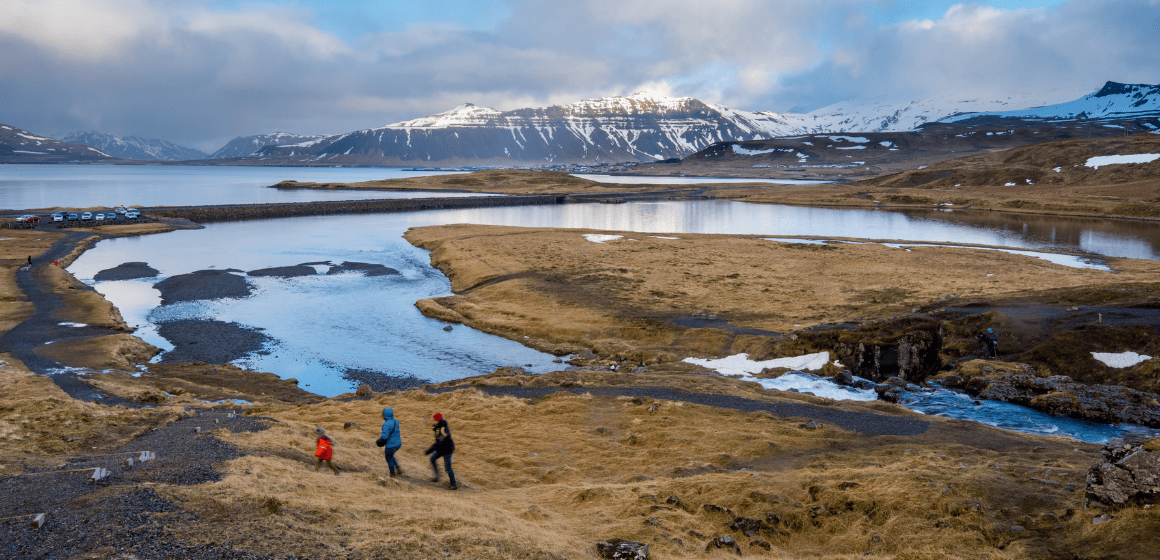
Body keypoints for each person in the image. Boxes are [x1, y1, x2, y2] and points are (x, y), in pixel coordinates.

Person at [425, 412, 457, 490]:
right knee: (432, 459)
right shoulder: (440, 427)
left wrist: (429, 450)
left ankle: (454, 484)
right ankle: (437, 476)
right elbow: (438, 442)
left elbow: (439, 442)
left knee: (448, 468)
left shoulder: (443, 430)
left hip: (447, 450)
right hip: (441, 449)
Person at [376, 407, 403, 477]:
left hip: (391, 445)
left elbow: (385, 437)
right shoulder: (396, 421)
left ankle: (392, 473)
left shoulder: (385, 424)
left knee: (388, 458)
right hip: (398, 443)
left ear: (384, 415)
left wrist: (380, 435)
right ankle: (397, 467)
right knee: (391, 455)